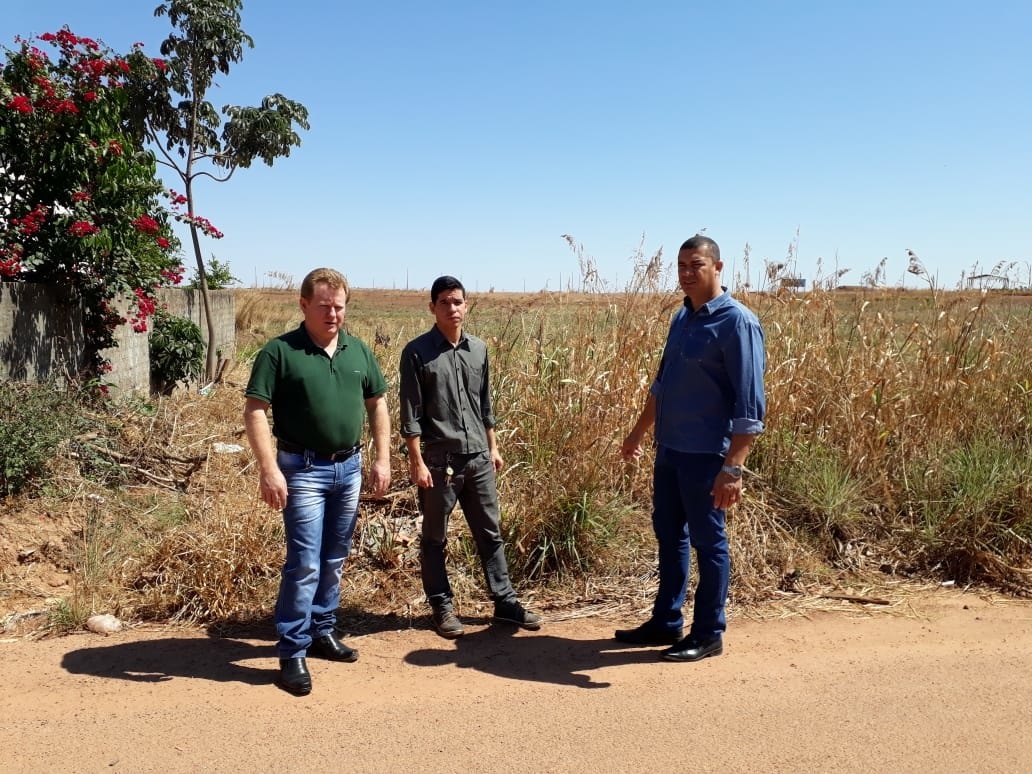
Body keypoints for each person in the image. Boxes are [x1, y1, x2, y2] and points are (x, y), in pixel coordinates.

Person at [615, 235, 766, 662]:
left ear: (718, 268)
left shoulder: (738, 323)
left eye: (695, 265)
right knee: (669, 535)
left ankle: (708, 632)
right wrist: (638, 433)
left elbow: (750, 404)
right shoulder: (682, 318)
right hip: (670, 449)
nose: (686, 273)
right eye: (681, 265)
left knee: (709, 542)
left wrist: (733, 467)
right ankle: (666, 621)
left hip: (707, 455)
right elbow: (662, 386)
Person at [244, 267, 391, 695]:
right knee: (304, 562)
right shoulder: (280, 352)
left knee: (334, 557)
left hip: (349, 468)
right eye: (324, 306)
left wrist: (381, 459)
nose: (333, 314)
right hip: (302, 469)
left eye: (339, 307)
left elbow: (377, 404)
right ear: (304, 304)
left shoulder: (357, 350)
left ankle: (322, 630)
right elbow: (255, 410)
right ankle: (292, 650)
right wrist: (268, 468)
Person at [399, 275, 541, 639]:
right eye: (444, 302)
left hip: (478, 456)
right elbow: (410, 413)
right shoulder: (417, 353)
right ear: (432, 307)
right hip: (438, 461)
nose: (452, 308)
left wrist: (493, 448)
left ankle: (505, 601)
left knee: (489, 533)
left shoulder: (478, 349)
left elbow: (485, 405)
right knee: (434, 537)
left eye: (458, 301)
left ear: (466, 305)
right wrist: (416, 461)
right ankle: (441, 604)